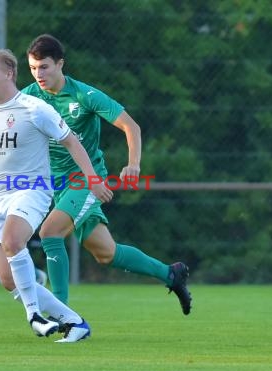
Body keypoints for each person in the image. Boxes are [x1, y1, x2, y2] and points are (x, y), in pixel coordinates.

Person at [22, 34, 192, 314]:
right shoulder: (29, 96)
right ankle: (171, 274)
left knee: (50, 233)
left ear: (60, 64)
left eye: (44, 67)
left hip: (88, 181)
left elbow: (131, 127)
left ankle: (61, 313)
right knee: (106, 253)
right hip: (57, 186)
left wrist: (133, 163)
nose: (38, 74)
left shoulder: (83, 95)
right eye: (33, 68)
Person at [0, 48, 113, 341]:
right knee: (7, 279)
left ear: (9, 73)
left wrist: (92, 180)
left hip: (31, 190)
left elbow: (72, 142)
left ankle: (34, 316)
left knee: (14, 241)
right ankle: (74, 321)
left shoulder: (35, 108)